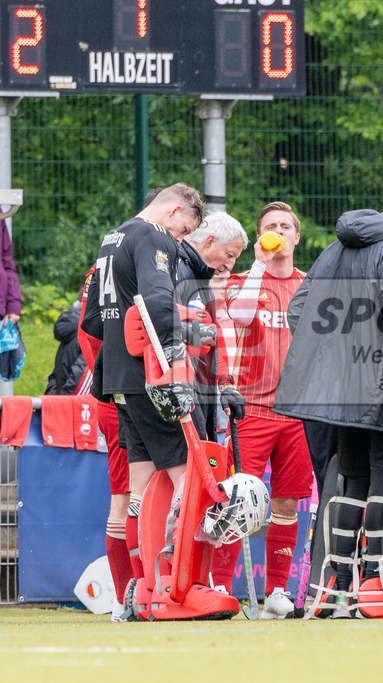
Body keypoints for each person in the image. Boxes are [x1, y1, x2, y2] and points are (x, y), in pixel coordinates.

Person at [273, 189, 383, 615]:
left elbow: (298, 310)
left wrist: (335, 359)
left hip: (341, 390)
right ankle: (377, 588)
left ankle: (334, 587)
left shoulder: (335, 247)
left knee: (352, 481)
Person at [79, 183, 206, 618]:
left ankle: (138, 592)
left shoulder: (112, 236)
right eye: (184, 230)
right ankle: (174, 586)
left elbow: (94, 317)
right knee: (186, 475)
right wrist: (175, 353)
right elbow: (156, 299)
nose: (180, 241)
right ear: (173, 211)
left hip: (116, 376)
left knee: (141, 488)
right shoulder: (153, 235)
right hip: (150, 375)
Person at [210, 201, 313, 619]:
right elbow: (240, 315)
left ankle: (276, 592)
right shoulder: (243, 279)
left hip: (297, 414)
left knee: (287, 506)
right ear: (260, 236)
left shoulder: (309, 285)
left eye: (285, 226)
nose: (278, 231)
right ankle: (218, 586)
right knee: (234, 499)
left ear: (297, 236)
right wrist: (258, 264)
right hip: (250, 408)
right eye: (270, 226)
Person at [176, 212, 248, 439]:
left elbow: (212, 339)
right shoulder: (178, 270)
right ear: (209, 242)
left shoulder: (201, 281)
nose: (230, 264)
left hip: (202, 391)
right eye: (228, 254)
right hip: (182, 392)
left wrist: (225, 384)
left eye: (234, 257)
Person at [44, 300, 86, 395]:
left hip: (58, 391)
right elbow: (81, 373)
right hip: (73, 398)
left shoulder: (72, 325)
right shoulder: (89, 327)